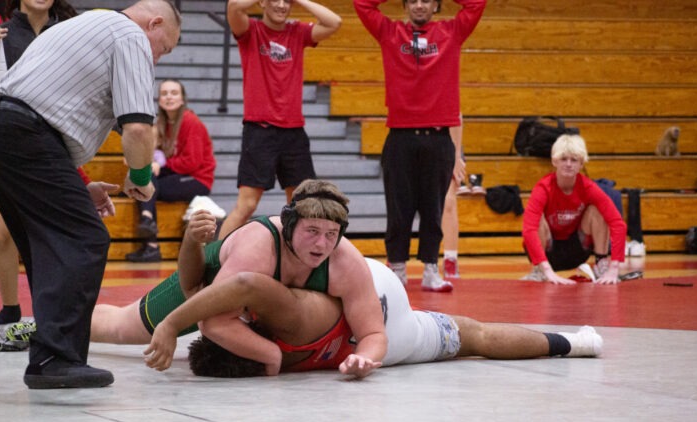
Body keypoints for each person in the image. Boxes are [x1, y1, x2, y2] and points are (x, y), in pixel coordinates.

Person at [0, 0, 182, 389]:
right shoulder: (129, 34)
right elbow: (138, 129)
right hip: (25, 132)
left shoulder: (84, 26)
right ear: (153, 24)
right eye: (163, 48)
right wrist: (140, 176)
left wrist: (77, 186)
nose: (158, 58)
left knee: (47, 245)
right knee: (84, 238)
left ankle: (51, 355)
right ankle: (55, 358)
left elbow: (46, 106)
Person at [84, 179, 387, 377]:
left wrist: (364, 360)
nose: (321, 244)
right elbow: (211, 320)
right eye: (311, 232)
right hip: (206, 285)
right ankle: (45, 326)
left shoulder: (346, 261)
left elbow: (373, 333)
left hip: (259, 305)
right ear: (289, 225)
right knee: (120, 328)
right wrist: (269, 355)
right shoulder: (259, 246)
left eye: (331, 234)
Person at [179, 259, 602, 376]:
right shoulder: (290, 317)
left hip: (392, 343)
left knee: (475, 339)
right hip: (373, 289)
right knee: (475, 333)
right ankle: (580, 342)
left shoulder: (280, 355)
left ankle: (577, 345)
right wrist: (168, 325)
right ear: (246, 326)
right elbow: (241, 287)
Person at [354, 0, 486, 293]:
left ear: (436, 5)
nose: (419, 5)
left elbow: (477, 4)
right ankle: (397, 270)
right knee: (398, 207)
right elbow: (362, 5)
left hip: (439, 138)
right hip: (400, 136)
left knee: (433, 208)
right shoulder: (389, 32)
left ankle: (430, 270)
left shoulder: (452, 31)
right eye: (412, 0)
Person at [0, 0, 80, 326]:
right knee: (2, 235)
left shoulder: (67, 33)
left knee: (48, 236)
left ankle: (49, 312)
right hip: (9, 144)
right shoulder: (0, 33)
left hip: (52, 142)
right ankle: (10, 307)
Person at [218, 0, 342, 240]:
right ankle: (212, 263)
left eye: (287, 1)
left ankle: (294, 263)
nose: (282, 5)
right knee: (247, 206)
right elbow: (234, 6)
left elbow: (334, 22)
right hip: (259, 131)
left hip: (294, 132)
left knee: (301, 205)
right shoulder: (251, 30)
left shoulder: (298, 32)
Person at [127, 79, 218, 262]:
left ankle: (150, 238)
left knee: (147, 183)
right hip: (178, 175)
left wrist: (163, 165)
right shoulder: (161, 124)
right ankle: (149, 235)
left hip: (196, 179)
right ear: (159, 100)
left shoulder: (191, 122)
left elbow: (192, 162)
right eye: (164, 93)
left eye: (174, 93)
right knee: (143, 178)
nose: (169, 97)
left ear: (182, 99)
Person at [520, 134, 627, 285]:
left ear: (581, 164)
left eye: (574, 160)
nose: (569, 164)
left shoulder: (588, 187)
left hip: (576, 250)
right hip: (548, 252)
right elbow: (528, 230)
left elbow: (618, 223)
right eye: (564, 159)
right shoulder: (543, 188)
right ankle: (538, 270)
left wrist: (614, 267)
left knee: (597, 211)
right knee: (536, 220)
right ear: (554, 161)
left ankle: (601, 264)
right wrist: (547, 270)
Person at [441, 120, 464, 279]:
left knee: (448, 202)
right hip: (414, 137)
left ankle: (450, 259)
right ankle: (397, 261)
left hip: (446, 141)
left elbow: (456, 114)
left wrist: (456, 156)